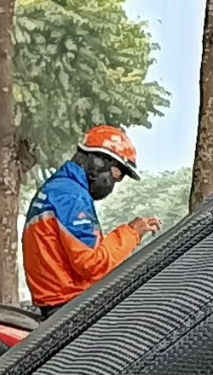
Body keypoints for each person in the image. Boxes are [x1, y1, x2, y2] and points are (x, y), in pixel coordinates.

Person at [22, 125, 160, 311]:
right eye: (118, 173)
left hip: (56, 301)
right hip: (71, 304)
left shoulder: (57, 188)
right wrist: (132, 233)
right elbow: (92, 264)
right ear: (99, 162)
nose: (115, 182)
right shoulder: (72, 197)